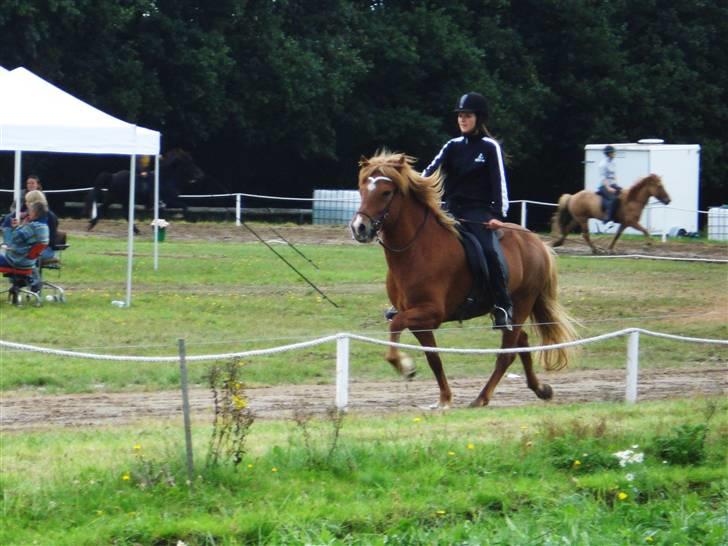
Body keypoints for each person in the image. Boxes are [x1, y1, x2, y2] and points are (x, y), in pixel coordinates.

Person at [423, 91, 514, 329]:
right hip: (450, 211)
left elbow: (500, 184)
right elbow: (427, 175)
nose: (463, 119)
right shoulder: (451, 146)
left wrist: (497, 216)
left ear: (479, 118)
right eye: (460, 116)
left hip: (478, 213)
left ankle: (503, 304)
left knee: (488, 251)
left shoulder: (489, 147)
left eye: (468, 115)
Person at [0, 199, 50, 292]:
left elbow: (13, 239)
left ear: (35, 213)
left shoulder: (32, 227)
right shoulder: (44, 226)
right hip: (29, 262)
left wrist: (15, 227)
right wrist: (20, 226)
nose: (28, 213)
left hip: (16, 260)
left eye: (30, 211)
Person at [597, 145, 621, 222]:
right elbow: (603, 178)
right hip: (604, 186)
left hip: (612, 184)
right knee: (613, 198)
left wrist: (617, 185)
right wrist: (608, 188)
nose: (614, 154)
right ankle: (608, 216)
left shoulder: (613, 162)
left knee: (623, 194)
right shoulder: (602, 164)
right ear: (609, 153)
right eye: (613, 152)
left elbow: (613, 176)